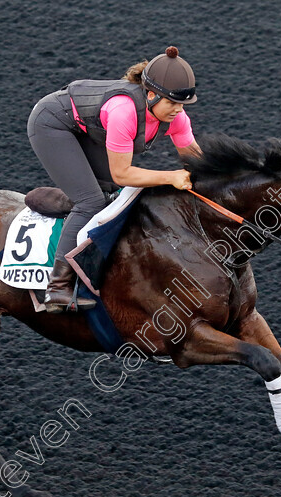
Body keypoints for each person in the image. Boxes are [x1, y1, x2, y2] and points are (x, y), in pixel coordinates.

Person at [27, 46, 202, 313]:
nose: (178, 111)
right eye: (172, 103)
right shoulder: (125, 111)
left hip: (89, 128)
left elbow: (196, 161)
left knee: (112, 194)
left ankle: (65, 200)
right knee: (92, 201)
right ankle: (57, 288)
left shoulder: (176, 117)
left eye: (182, 104)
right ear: (152, 95)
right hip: (53, 124)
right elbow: (124, 173)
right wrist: (170, 177)